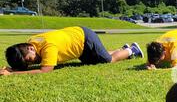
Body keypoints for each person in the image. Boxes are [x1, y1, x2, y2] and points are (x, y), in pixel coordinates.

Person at [0, 26, 144, 76]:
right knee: (98, 59)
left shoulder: (48, 48)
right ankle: (122, 49)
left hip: (85, 39)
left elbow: (45, 70)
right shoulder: (32, 41)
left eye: (31, 60)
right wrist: (14, 68)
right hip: (78, 41)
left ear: (30, 48)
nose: (34, 62)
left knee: (108, 60)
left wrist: (14, 73)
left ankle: (132, 50)